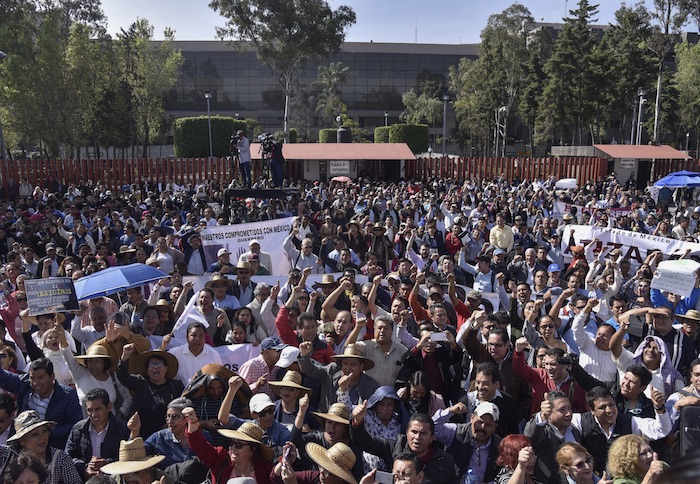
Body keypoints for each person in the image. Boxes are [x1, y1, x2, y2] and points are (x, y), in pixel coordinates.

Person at [349, 407, 459, 484]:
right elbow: (363, 442)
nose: (417, 437)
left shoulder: (444, 461)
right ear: (406, 432)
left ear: (432, 437)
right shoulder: (396, 447)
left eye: (423, 433)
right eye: (414, 432)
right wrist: (357, 421)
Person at [0, 357, 81, 449]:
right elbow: (3, 377)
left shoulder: (67, 395)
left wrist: (47, 432)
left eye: (40, 378)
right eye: (32, 378)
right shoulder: (24, 384)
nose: (35, 383)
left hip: (53, 447)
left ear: (52, 376)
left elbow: (75, 424)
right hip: (24, 448)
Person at [183, 407, 273, 484]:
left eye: (238, 445)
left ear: (252, 450)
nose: (233, 448)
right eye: (232, 443)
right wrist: (193, 422)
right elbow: (199, 446)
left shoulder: (264, 469)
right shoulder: (221, 459)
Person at [117, 347, 184, 439]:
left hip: (168, 434)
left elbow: (183, 408)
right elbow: (123, 377)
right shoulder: (140, 382)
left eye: (159, 364)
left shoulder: (176, 386)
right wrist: (124, 357)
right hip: (141, 433)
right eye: (152, 364)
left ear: (166, 368)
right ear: (147, 370)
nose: (156, 367)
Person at [65, 388, 130, 480]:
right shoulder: (78, 429)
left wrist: (107, 463)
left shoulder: (123, 429)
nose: (93, 414)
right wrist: (85, 468)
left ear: (109, 407)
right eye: (90, 410)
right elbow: (68, 457)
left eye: (98, 409)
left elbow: (130, 457)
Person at [6, 410, 82, 484]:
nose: (42, 437)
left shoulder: (61, 458)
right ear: (21, 441)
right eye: (35, 434)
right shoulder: (10, 459)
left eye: (44, 431)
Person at [271, 441, 359, 484]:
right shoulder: (315, 477)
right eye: (321, 466)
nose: (322, 472)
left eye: (328, 472)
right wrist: (286, 461)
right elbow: (275, 477)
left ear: (340, 478)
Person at [99, 437, 171, 484]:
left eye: (137, 469)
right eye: (129, 470)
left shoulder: (163, 478)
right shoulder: (113, 481)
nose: (133, 473)